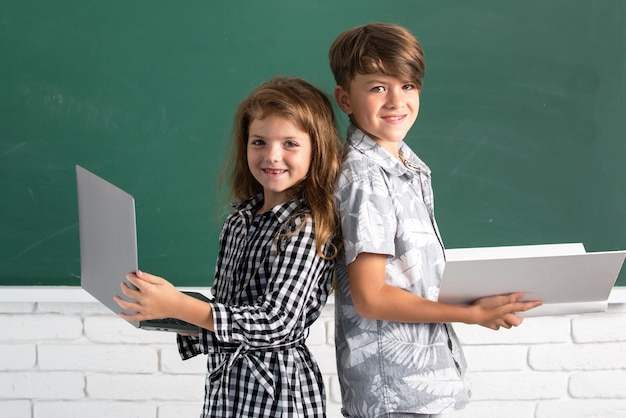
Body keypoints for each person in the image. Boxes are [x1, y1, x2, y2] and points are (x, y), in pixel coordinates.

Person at [328, 23, 542, 417]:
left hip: (425, 384)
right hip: (395, 393)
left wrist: (480, 301)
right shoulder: (366, 178)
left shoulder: (405, 166)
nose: (396, 100)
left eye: (407, 86)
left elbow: (411, 280)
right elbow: (371, 296)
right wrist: (470, 315)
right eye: (378, 87)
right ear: (345, 98)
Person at [114, 77, 343, 417]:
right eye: (259, 142)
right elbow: (228, 312)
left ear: (317, 149)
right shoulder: (238, 222)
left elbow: (276, 321)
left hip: (279, 393)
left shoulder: (306, 226)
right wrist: (165, 305)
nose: (272, 156)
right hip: (229, 385)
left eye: (290, 144)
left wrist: (179, 305)